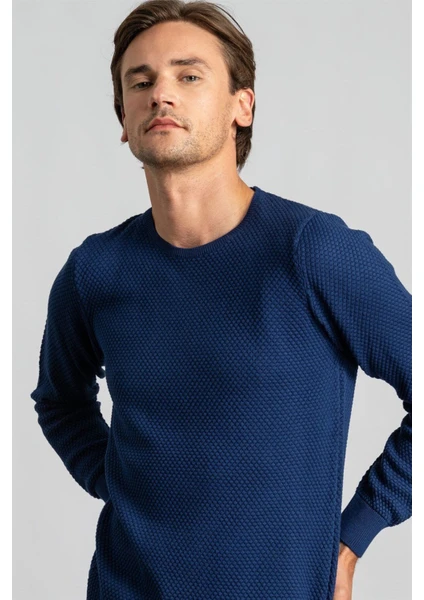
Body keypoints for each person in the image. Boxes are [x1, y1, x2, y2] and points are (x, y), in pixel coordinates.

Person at [30, 1, 412, 599]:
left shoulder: (313, 251)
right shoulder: (94, 271)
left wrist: (355, 533)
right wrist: (122, 482)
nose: (161, 94)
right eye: (141, 82)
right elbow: (59, 404)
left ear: (243, 106)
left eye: (188, 75)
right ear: (124, 119)